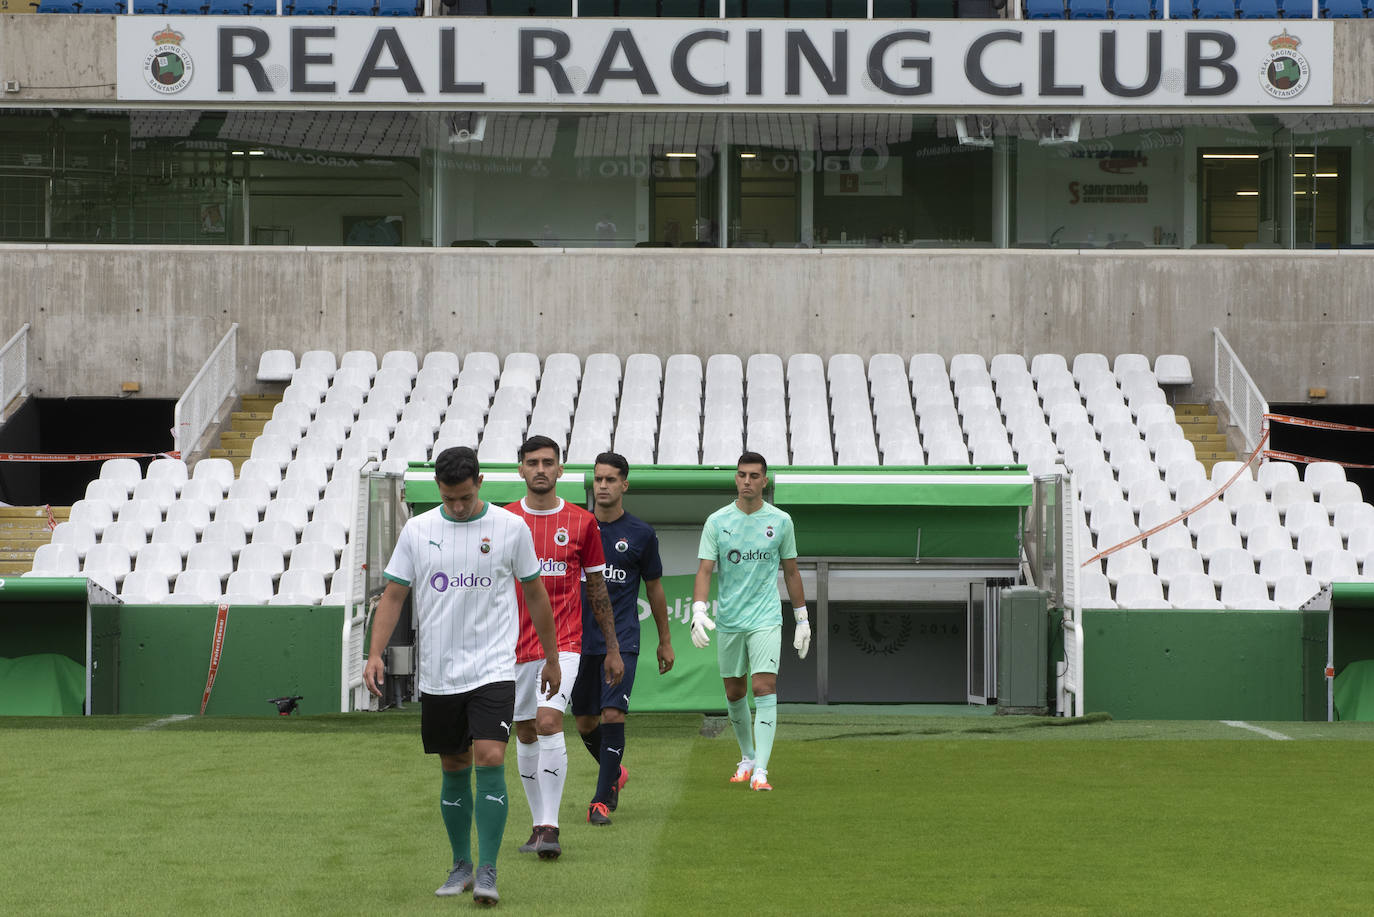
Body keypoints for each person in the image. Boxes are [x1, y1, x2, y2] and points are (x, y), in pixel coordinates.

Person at [364, 446, 561, 906]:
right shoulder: (418, 530)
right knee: (454, 766)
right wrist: (375, 653)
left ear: (480, 484)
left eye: (466, 497)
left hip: (494, 667)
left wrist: (551, 657)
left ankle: (489, 870)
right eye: (450, 498)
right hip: (439, 672)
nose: (458, 505)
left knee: (491, 756)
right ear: (439, 489)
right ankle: (461, 865)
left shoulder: (511, 528)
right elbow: (393, 596)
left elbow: (535, 595)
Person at [505, 434, 623, 859]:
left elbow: (597, 588)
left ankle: (551, 826)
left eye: (548, 462)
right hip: (511, 645)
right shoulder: (504, 520)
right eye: (532, 462)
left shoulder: (581, 522)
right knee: (524, 730)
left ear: (560, 470)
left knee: (550, 721)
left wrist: (612, 647)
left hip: (565, 643)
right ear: (520, 468)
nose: (540, 469)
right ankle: (537, 824)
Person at [691, 451, 810, 792]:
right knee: (734, 691)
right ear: (736, 479)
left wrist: (802, 619)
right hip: (729, 620)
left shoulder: (781, 521)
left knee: (763, 688)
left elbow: (791, 571)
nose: (747, 481)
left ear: (764, 480)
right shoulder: (717, 521)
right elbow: (704, 570)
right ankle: (748, 756)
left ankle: (762, 772)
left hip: (766, 618)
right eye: (742, 474)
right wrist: (699, 610)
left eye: (754, 475)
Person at [572, 452, 675, 826]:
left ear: (624, 485)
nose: (603, 486)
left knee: (613, 713)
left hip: (623, 639)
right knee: (584, 722)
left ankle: (600, 801)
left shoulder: (641, 534)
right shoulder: (578, 527)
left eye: (611, 479)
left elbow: (655, 590)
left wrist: (665, 640)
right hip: (578, 639)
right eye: (598, 479)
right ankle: (615, 769)